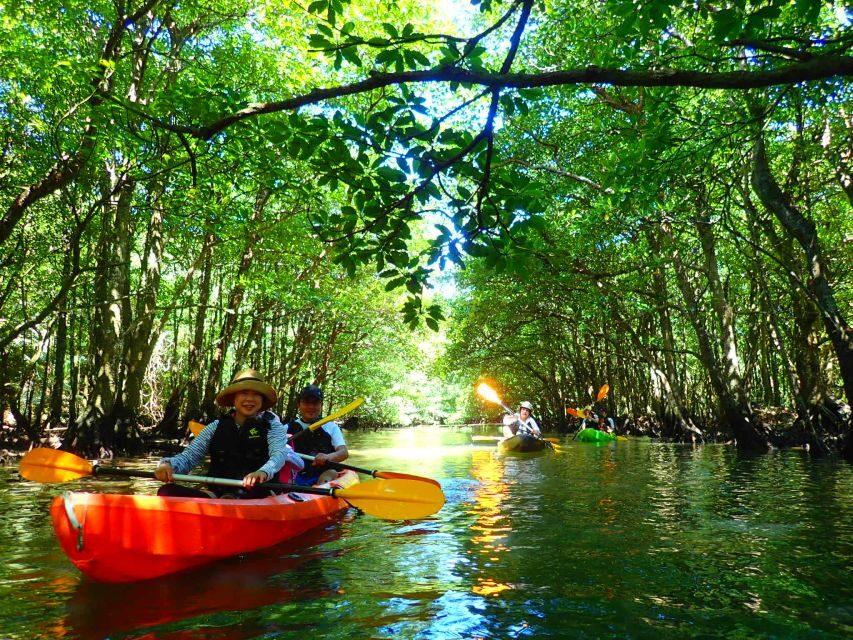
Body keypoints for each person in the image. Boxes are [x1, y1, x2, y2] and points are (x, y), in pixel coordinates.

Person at [154, 369, 302, 498]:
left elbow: (278, 456)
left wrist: (263, 472)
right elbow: (189, 458)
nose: (250, 399)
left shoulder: (272, 426)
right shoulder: (215, 426)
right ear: (234, 398)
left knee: (233, 497)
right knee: (166, 491)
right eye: (244, 393)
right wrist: (167, 465)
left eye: (256, 394)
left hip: (258, 493)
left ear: (262, 400)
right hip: (218, 494)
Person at [285, 384, 348, 485]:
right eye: (306, 402)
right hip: (297, 475)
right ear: (298, 404)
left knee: (330, 473)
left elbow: (343, 453)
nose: (311, 407)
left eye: (315, 403)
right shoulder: (287, 428)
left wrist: (328, 457)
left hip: (324, 473)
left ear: (321, 405)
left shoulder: (331, 427)